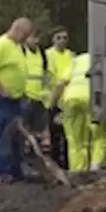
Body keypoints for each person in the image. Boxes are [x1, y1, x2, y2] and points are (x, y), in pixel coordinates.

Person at [0, 17, 33, 184]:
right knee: (4, 134)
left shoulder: (17, 47)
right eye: (24, 34)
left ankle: (16, 170)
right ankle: (2, 172)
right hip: (3, 99)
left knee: (17, 135)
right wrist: (1, 88)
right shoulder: (2, 44)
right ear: (17, 29)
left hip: (17, 99)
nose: (26, 38)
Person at [52, 51, 106, 172]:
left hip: (71, 100)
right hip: (93, 99)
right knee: (98, 137)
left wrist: (52, 105)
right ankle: (95, 168)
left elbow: (60, 83)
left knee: (75, 141)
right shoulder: (105, 59)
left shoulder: (75, 60)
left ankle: (78, 172)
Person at [45, 26, 75, 168]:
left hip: (69, 100)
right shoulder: (48, 55)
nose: (62, 41)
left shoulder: (71, 56)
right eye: (59, 38)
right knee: (55, 135)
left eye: (65, 38)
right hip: (54, 99)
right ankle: (56, 163)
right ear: (53, 39)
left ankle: (68, 164)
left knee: (69, 135)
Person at [21, 30, 51, 157]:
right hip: (25, 96)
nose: (35, 40)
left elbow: (44, 74)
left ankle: (35, 156)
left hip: (39, 97)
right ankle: (23, 156)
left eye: (37, 38)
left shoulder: (42, 53)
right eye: (32, 37)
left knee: (38, 131)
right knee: (24, 130)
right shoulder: (21, 52)